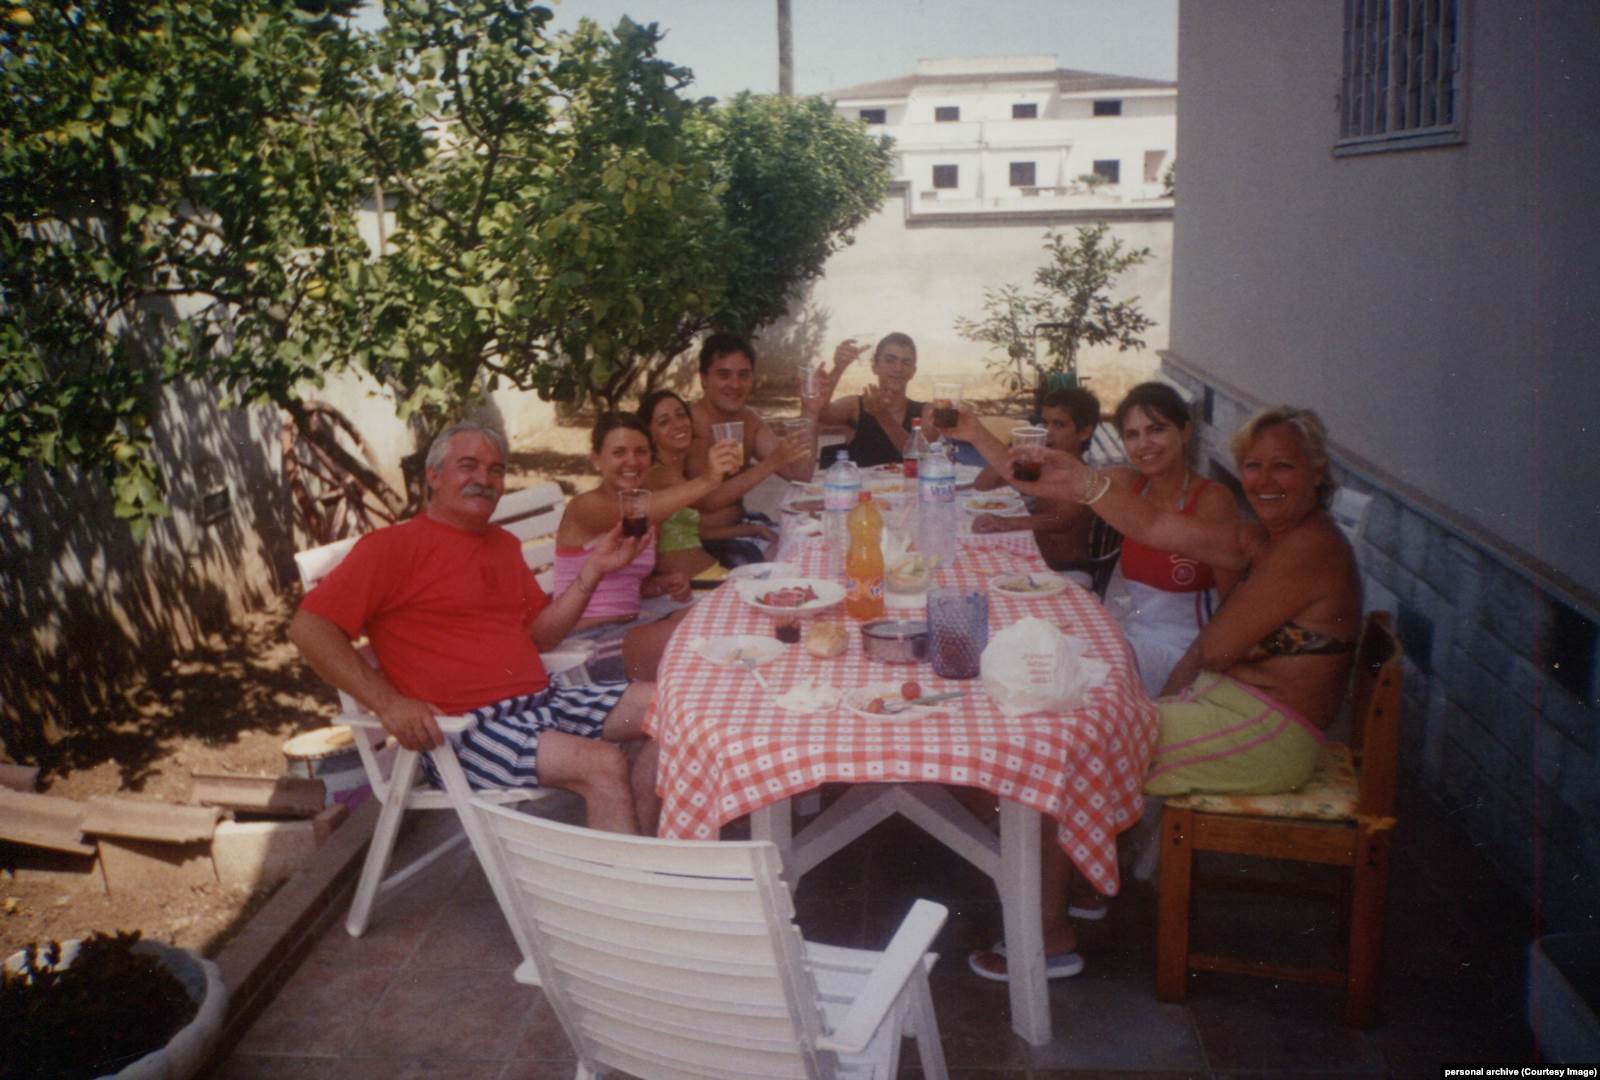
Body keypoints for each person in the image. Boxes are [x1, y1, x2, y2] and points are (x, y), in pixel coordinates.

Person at [969, 405, 1362, 981]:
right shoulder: (1269, 538)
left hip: (1268, 735)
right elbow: (1154, 527)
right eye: (1253, 466)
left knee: (1064, 750)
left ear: (1317, 471)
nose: (1264, 480)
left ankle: (1049, 938)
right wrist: (1084, 482)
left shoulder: (1307, 548)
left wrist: (1222, 654)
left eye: (1283, 466)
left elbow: (1217, 647)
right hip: (1233, 704)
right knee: (1078, 726)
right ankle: (1082, 888)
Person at [289, 421, 660, 835]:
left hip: (543, 703)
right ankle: (622, 870)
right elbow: (309, 627)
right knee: (603, 763)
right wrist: (389, 704)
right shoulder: (391, 548)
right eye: (468, 466)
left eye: (495, 470)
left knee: (674, 709)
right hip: (466, 730)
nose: (484, 479)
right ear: (434, 476)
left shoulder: (501, 544)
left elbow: (542, 636)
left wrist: (595, 569)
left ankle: (640, 853)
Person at [553, 411, 743, 681]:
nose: (632, 461)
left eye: (641, 451)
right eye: (619, 452)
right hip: (586, 645)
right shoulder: (585, 507)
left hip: (632, 627)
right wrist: (709, 479)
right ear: (596, 460)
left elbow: (617, 583)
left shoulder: (647, 510)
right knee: (703, 638)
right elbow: (638, 513)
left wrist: (659, 585)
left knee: (728, 613)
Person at [1100, 383, 1239, 696]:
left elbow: (1233, 609)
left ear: (1185, 431)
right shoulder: (1127, 486)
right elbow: (1058, 480)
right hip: (1135, 641)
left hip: (1187, 655)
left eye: (1157, 429)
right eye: (1132, 435)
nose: (1144, 444)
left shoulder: (1212, 501)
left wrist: (1176, 687)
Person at [688, 332, 814, 567]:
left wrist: (811, 412)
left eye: (743, 375)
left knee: (809, 543)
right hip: (702, 543)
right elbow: (708, 501)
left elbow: (800, 474)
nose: (735, 385)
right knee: (784, 566)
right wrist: (771, 463)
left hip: (742, 525)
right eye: (724, 375)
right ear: (704, 379)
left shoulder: (749, 420)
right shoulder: (689, 425)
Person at [951, 386, 1102, 571]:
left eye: (1059, 425)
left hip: (1067, 570)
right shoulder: (1042, 466)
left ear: (1084, 432)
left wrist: (1005, 523)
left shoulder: (1084, 476)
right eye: (1044, 423)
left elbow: (1060, 521)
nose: (1047, 431)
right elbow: (983, 485)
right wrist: (1011, 450)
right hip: (1035, 559)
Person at [638, 389, 773, 582]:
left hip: (709, 573)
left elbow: (697, 532)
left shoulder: (676, 470)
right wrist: (774, 461)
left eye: (681, 415)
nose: (677, 424)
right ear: (650, 434)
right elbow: (711, 501)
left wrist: (753, 530)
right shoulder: (658, 476)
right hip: (696, 584)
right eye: (664, 422)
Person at [805, 333, 924, 468]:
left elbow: (923, 458)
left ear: (913, 371)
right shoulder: (855, 406)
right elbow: (818, 413)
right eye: (890, 360)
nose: (898, 368)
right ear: (875, 367)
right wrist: (839, 367)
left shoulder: (926, 412)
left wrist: (881, 415)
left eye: (906, 363)